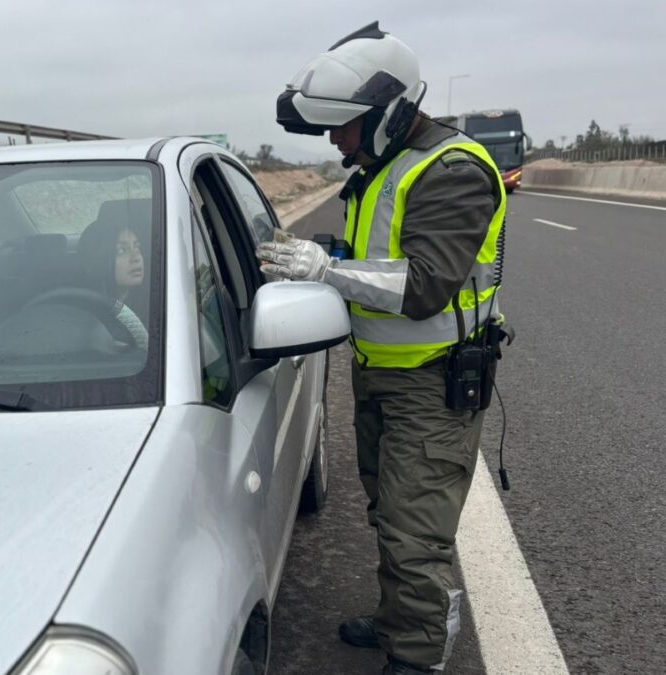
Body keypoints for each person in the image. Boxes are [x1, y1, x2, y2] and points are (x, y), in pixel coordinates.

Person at [258, 22, 508, 675]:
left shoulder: (451, 171)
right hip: (381, 372)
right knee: (387, 508)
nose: (335, 139)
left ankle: (418, 655)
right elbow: (374, 257)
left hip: (434, 381)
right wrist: (330, 260)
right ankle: (402, 616)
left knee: (413, 529)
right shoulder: (383, 166)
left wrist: (328, 271)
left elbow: (424, 284)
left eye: (344, 126)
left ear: (389, 113)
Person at [76, 207, 149, 350]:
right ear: (97, 260)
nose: (136, 257)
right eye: (122, 250)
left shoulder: (157, 307)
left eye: (137, 247)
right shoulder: (79, 312)